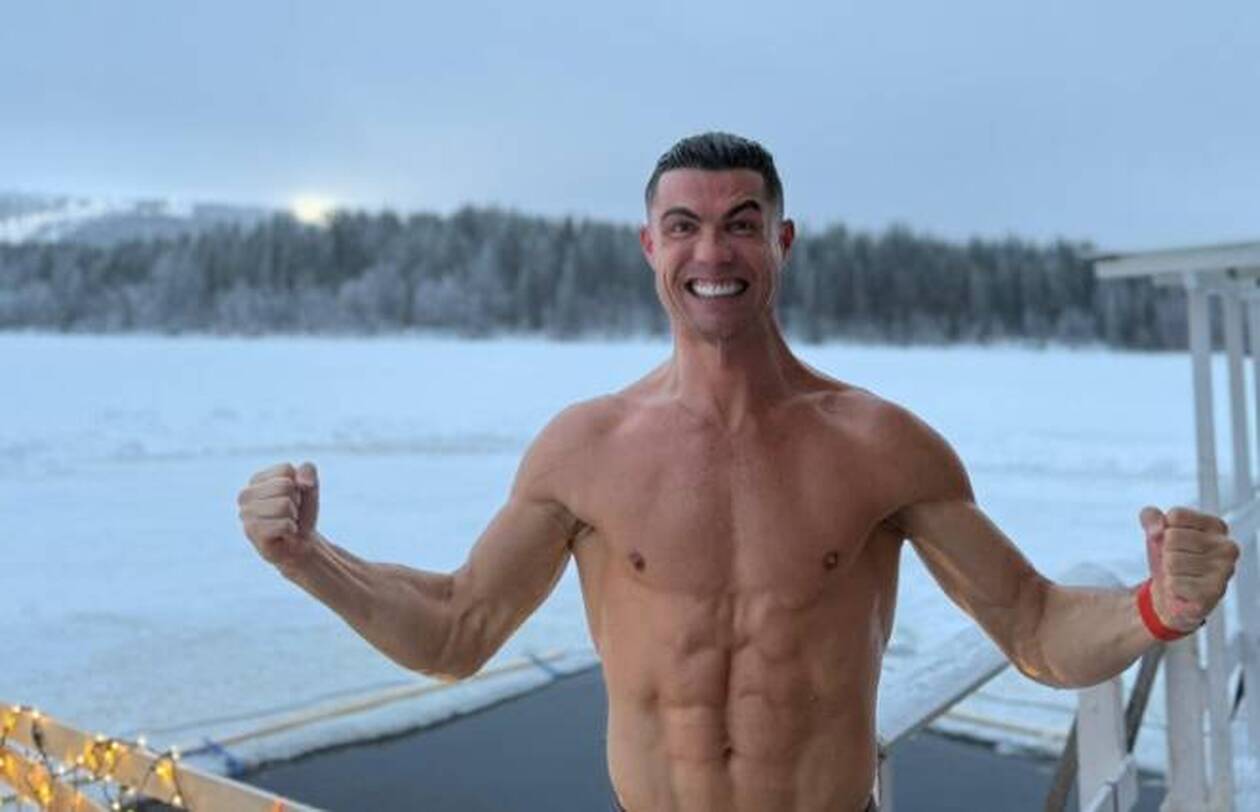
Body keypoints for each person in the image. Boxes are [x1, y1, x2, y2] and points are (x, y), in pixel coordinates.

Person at [236, 132, 1240, 812]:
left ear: (781, 242)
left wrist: (1157, 607)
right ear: (650, 246)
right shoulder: (585, 448)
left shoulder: (880, 444)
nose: (712, 251)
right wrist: (308, 558)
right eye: (684, 225)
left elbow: (1035, 627)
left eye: (741, 222)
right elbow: (458, 630)